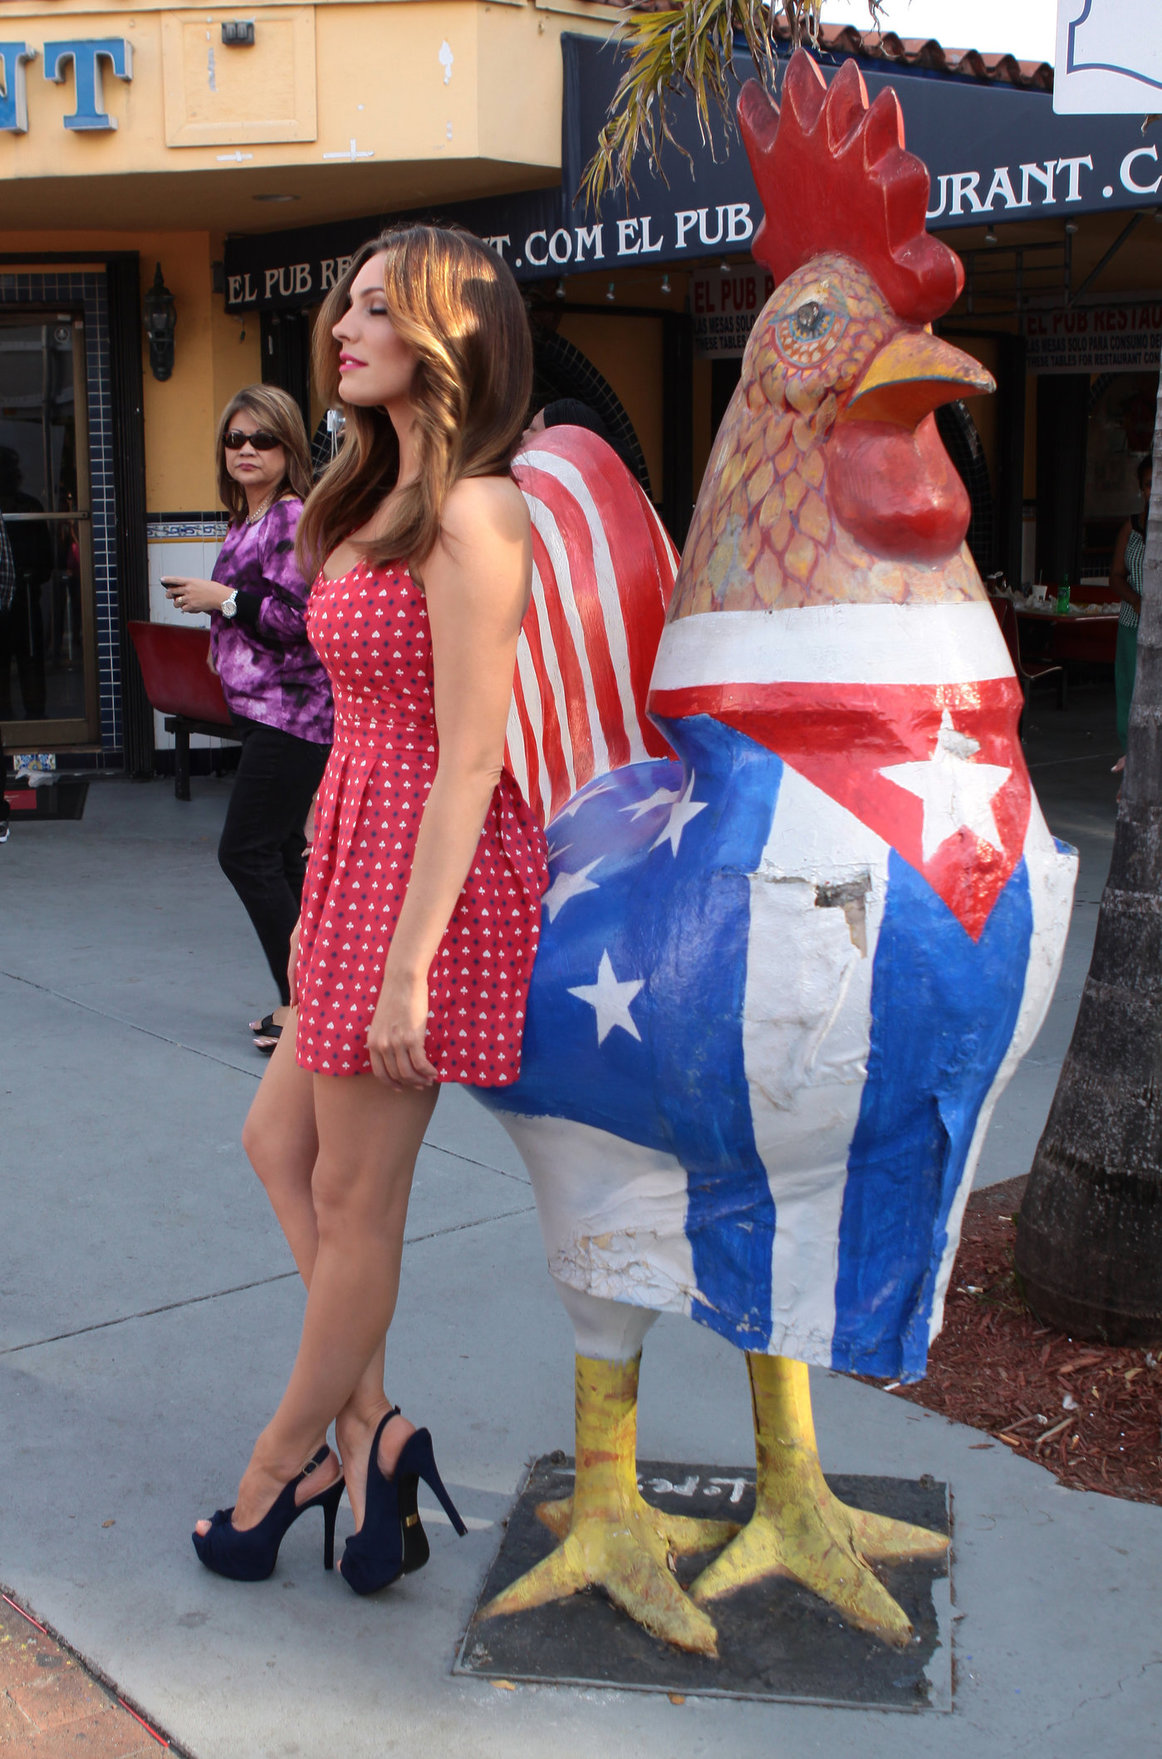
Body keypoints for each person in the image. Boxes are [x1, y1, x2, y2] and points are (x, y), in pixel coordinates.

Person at [191, 226, 549, 1592]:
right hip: (352, 840)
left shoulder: (476, 508)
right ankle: (374, 1432)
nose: (343, 324)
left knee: (353, 1197)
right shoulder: (364, 487)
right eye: (346, 302)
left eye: (377, 310)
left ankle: (285, 1461)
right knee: (279, 1147)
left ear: (447, 341)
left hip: (424, 876)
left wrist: (408, 973)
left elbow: (473, 751)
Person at [163, 387, 332, 1054]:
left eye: (261, 440)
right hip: (268, 715)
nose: (246, 451)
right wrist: (222, 623)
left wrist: (223, 600)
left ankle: (303, 1011)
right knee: (282, 854)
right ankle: (312, 1003)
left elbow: (301, 619)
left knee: (246, 851)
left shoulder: (289, 516)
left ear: (288, 447)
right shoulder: (249, 517)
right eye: (235, 440)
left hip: (293, 715)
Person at [1111, 454, 1152, 757]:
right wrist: (1135, 600)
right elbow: (1115, 576)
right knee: (1128, 691)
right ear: (1141, 488)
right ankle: (1130, 754)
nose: (1155, 489)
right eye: (1149, 484)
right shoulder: (1131, 527)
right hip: (1130, 623)